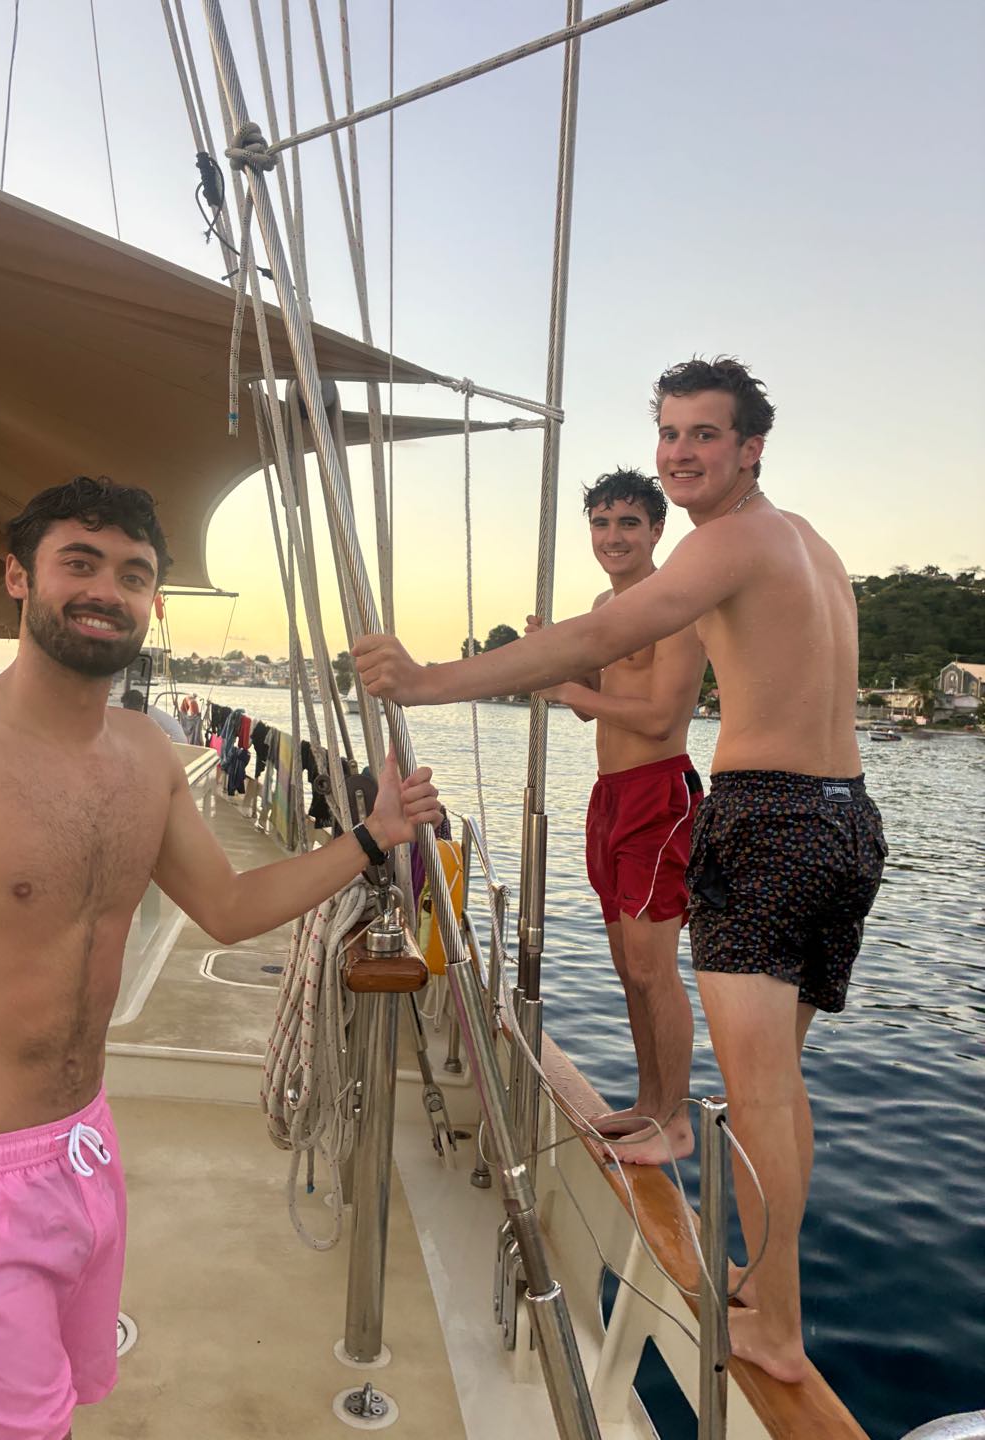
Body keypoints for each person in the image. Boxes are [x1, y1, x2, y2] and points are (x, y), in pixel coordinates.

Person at [353, 357, 887, 1384]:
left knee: (757, 1096)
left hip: (769, 820)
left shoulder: (727, 541)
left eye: (704, 435)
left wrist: (426, 682)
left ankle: (778, 1326)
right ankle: (763, 1278)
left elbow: (601, 633)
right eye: (670, 433)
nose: (680, 453)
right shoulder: (805, 541)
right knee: (778, 1092)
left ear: (751, 449)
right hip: (843, 819)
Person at [0, 475, 441, 1440]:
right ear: (18, 577)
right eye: (79, 562)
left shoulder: (146, 756)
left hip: (83, 1152)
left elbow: (229, 908)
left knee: (61, 1406)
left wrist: (372, 836)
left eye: (133, 573)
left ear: (153, 599)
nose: (106, 590)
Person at [528, 469, 705, 1164]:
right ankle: (648, 1102)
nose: (613, 536)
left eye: (628, 523)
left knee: (653, 967)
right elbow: (587, 704)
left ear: (657, 530)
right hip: (609, 796)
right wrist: (558, 658)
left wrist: (569, 687)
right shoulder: (605, 605)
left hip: (660, 796)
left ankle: (676, 1119)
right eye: (601, 523)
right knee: (628, 967)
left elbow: (661, 717)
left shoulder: (678, 607)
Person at [121, 684, 185, 742]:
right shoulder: (145, 711)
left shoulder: (149, 714)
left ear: (134, 705)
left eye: (127, 706)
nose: (125, 709)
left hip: (177, 742)